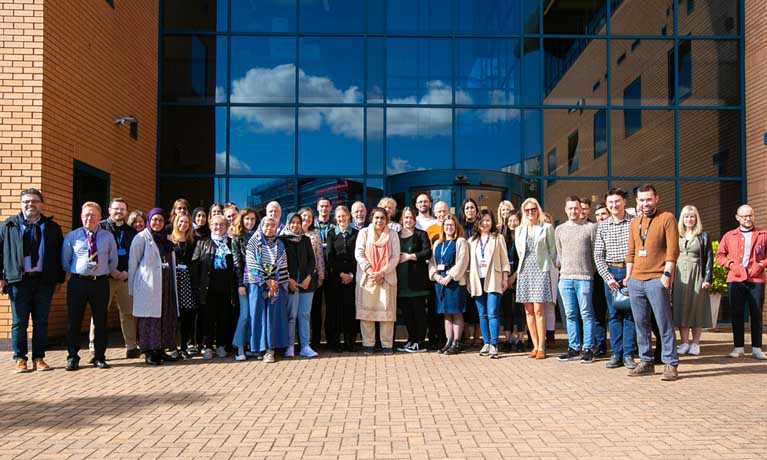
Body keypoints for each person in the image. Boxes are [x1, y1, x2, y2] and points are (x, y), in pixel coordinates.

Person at [0, 188, 65, 373]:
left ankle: (39, 358)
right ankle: (20, 358)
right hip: (18, 282)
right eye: (26, 201)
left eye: (34, 201)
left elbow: (58, 255)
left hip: (43, 282)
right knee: (19, 322)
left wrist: (59, 279)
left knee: (41, 321)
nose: (30, 204)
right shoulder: (8, 226)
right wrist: (1, 278)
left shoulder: (52, 227)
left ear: (41, 203)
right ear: (21, 204)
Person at [625, 184, 680, 381]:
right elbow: (630, 252)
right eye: (641, 200)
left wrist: (667, 274)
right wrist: (628, 277)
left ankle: (670, 363)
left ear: (656, 198)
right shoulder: (635, 222)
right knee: (641, 323)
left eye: (648, 199)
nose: (645, 203)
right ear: (636, 202)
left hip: (657, 279)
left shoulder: (667, 218)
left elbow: (673, 250)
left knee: (664, 322)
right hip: (636, 281)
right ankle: (646, 361)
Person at [62, 202, 119, 371]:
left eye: (93, 215)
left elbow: (113, 259)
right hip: (78, 282)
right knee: (74, 321)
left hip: (100, 282)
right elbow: (65, 261)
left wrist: (102, 271)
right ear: (81, 216)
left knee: (101, 321)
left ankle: (99, 356)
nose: (89, 218)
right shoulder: (72, 236)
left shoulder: (107, 237)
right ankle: (73, 357)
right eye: (86, 214)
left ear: (100, 217)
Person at [715, 204, 767, 360]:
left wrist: (761, 264)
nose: (747, 219)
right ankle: (738, 347)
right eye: (744, 216)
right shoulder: (729, 235)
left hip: (756, 279)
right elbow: (720, 254)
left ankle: (757, 348)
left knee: (756, 313)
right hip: (735, 279)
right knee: (736, 313)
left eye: (750, 215)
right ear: (738, 218)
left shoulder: (763, 234)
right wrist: (730, 264)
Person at [128, 208, 179, 365]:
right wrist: (132, 289)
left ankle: (161, 349)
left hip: (166, 284)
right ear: (149, 221)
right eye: (154, 219)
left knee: (164, 316)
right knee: (149, 320)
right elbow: (133, 264)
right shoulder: (141, 238)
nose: (157, 223)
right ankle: (149, 352)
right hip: (148, 286)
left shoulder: (167, 239)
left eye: (160, 220)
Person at [594, 188, 637, 369]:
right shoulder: (603, 226)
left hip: (630, 272)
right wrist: (608, 277)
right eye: (610, 202)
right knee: (613, 315)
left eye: (617, 201)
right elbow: (598, 255)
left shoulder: (634, 223)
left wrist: (630, 275)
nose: (614, 205)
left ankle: (628, 354)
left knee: (630, 315)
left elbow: (638, 251)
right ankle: (616, 354)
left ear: (624, 202)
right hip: (611, 273)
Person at [93, 197, 139, 359]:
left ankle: (131, 346)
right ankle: (95, 349)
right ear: (109, 210)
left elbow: (135, 256)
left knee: (128, 313)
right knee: (99, 313)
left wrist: (126, 271)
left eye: (122, 209)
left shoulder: (131, 231)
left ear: (126, 212)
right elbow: (96, 253)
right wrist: (111, 270)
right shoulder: (100, 228)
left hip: (125, 278)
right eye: (116, 209)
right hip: (105, 278)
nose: (119, 212)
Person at [555, 196, 598, 363]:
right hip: (565, 278)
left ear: (581, 210)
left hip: (584, 277)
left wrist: (590, 272)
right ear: (565, 209)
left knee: (586, 314)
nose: (573, 211)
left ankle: (588, 348)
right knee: (570, 314)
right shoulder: (559, 230)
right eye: (570, 208)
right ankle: (573, 347)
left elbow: (595, 253)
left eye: (576, 208)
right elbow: (560, 252)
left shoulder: (590, 228)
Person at [355, 207, 400, 355]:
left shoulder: (392, 234)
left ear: (387, 220)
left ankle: (387, 345)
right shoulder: (364, 233)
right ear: (372, 219)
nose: (379, 221)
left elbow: (395, 256)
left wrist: (382, 272)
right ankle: (368, 344)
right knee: (367, 314)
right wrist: (370, 271)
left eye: (382, 218)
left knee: (386, 314)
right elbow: (359, 253)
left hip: (386, 278)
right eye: (376, 218)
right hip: (367, 279)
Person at [515, 198, 556, 359]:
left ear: (538, 210)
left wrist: (549, 267)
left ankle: (541, 346)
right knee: (528, 310)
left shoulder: (546, 227)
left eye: (533, 209)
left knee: (539, 310)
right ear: (524, 212)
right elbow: (519, 251)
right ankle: (534, 345)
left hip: (540, 270)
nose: (530, 212)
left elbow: (552, 250)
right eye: (527, 210)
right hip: (524, 270)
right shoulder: (519, 229)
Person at [192, 214, 237, 360]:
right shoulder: (202, 243)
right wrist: (197, 287)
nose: (218, 227)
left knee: (224, 318)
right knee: (208, 319)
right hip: (208, 289)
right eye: (215, 224)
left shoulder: (231, 243)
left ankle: (221, 346)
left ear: (226, 226)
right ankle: (208, 347)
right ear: (211, 226)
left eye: (222, 224)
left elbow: (236, 267)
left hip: (226, 289)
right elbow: (195, 265)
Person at [246, 216, 290, 363]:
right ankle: (259, 348)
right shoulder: (254, 242)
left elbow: (282, 263)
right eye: (267, 225)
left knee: (273, 316)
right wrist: (266, 280)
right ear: (261, 226)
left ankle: (271, 349)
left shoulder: (280, 244)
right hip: (257, 285)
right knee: (257, 315)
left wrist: (274, 282)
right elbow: (251, 263)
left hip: (275, 285)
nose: (269, 228)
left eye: (273, 226)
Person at [468, 209, 511, 359]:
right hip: (477, 279)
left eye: (488, 220)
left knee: (493, 312)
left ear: (492, 222)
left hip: (494, 278)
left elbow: (505, 260)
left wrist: (505, 278)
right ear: (477, 223)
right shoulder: (472, 241)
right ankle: (486, 342)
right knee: (482, 314)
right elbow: (468, 265)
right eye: (482, 220)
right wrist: (468, 281)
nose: (485, 223)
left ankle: (494, 344)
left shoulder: (498, 238)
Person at [673, 205, 713, 356]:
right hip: (679, 276)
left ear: (696, 218)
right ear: (682, 219)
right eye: (686, 216)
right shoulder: (677, 235)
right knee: (682, 307)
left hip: (697, 274)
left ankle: (695, 343)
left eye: (692, 216)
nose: (689, 219)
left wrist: (707, 278)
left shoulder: (703, 236)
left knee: (697, 308)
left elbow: (709, 258)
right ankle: (684, 342)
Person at [429, 214, 470, 355]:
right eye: (446, 225)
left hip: (455, 283)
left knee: (456, 312)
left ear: (456, 227)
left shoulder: (460, 241)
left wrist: (450, 276)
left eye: (451, 225)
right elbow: (432, 262)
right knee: (446, 313)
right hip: (440, 282)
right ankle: (448, 341)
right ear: (443, 227)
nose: (449, 227)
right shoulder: (437, 243)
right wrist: (435, 275)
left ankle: (456, 342)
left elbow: (463, 261)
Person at [280, 213, 318, 358]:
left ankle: (305, 346)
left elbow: (311, 261)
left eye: (298, 222)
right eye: (293, 222)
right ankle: (289, 346)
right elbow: (279, 261)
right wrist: (288, 279)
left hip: (306, 284)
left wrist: (309, 277)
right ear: (288, 223)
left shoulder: (305, 240)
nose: (295, 225)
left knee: (304, 315)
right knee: (291, 316)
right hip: (290, 284)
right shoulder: (282, 240)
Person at [396, 206, 432, 353]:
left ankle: (420, 342)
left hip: (417, 283)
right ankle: (411, 339)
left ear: (414, 219)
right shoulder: (396, 235)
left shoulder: (421, 234)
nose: (408, 220)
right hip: (401, 282)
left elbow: (427, 252)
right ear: (402, 219)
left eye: (411, 217)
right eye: (406, 217)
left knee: (419, 314)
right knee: (407, 314)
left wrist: (409, 257)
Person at [326, 206, 359, 352]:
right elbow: (330, 257)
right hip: (336, 279)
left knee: (350, 310)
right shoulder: (331, 234)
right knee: (335, 311)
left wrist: (351, 275)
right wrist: (341, 274)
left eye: (344, 216)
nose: (341, 219)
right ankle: (335, 342)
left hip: (352, 279)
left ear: (349, 216)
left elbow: (358, 256)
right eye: (338, 217)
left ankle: (349, 341)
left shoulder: (357, 234)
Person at [300, 205, 329, 350]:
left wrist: (321, 276)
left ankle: (315, 341)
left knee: (315, 311)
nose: (306, 219)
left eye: (309, 217)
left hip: (313, 276)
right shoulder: (291, 233)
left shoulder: (315, 234)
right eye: (304, 216)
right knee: (298, 312)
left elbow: (319, 257)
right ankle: (300, 342)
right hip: (297, 277)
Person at [231, 207, 259, 360]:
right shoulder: (237, 238)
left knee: (254, 315)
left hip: (257, 281)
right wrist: (240, 283)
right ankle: (239, 347)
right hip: (244, 281)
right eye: (247, 219)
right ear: (242, 220)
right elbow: (237, 262)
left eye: (253, 219)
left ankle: (249, 345)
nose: (250, 222)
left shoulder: (259, 236)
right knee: (245, 314)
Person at [170, 212, 197, 359]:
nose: (183, 224)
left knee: (187, 314)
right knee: (174, 314)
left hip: (187, 281)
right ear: (176, 223)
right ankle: (173, 346)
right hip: (174, 280)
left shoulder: (192, 241)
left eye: (186, 222)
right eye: (181, 222)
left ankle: (184, 347)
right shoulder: (170, 240)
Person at [459, 198, 481, 347]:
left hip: (479, 269)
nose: (470, 210)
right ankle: (466, 336)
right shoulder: (460, 228)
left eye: (472, 208)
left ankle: (477, 337)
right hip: (464, 270)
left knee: (478, 304)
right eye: (467, 208)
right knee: (466, 305)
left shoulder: (481, 227)